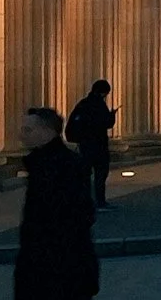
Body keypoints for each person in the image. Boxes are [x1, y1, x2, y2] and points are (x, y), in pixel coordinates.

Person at [13, 106, 99, 300]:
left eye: (28, 130)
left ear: (47, 132)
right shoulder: (42, 165)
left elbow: (78, 218)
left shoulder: (61, 167)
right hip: (53, 271)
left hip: (57, 273)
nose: (21, 136)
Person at [64, 80, 116, 211]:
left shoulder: (83, 104)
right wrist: (112, 115)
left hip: (85, 144)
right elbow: (107, 123)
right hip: (99, 144)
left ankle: (85, 201)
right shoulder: (99, 105)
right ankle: (100, 201)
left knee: (85, 175)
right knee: (100, 174)